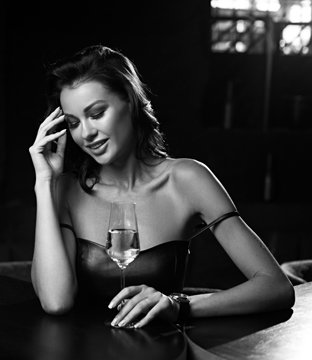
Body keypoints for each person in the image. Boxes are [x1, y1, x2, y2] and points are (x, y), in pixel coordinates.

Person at [29, 45, 295, 329]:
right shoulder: (67, 189)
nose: (86, 133)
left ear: (129, 102)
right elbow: (56, 302)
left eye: (96, 113)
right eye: (73, 123)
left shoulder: (187, 179)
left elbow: (276, 287)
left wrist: (179, 305)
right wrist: (44, 183)